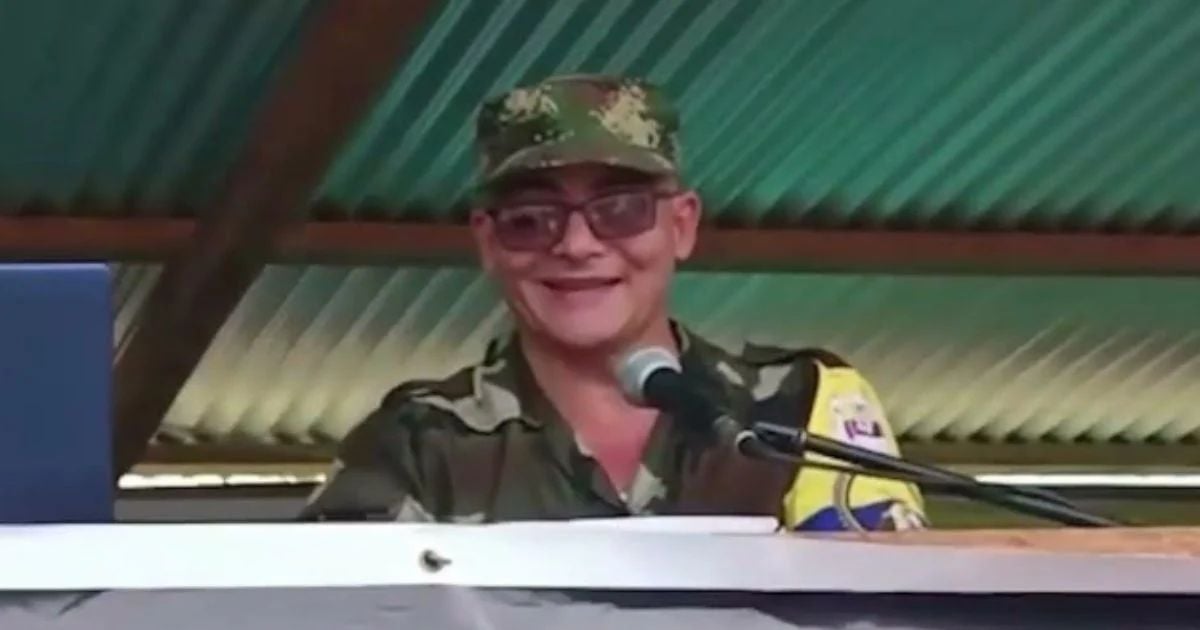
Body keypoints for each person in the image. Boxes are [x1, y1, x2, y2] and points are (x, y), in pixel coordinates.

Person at [300, 74, 927, 531]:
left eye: (621, 209)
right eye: (531, 218)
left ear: (682, 226)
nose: (577, 245)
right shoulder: (416, 445)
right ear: (488, 242)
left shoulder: (799, 407)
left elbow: (883, 611)